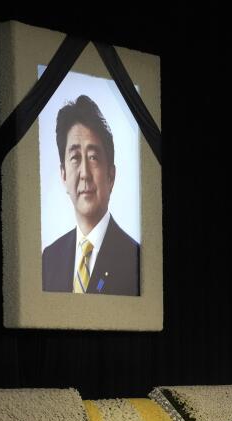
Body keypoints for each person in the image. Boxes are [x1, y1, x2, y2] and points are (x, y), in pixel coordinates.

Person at [42, 95, 140, 296]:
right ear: (63, 174)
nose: (85, 173)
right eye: (75, 158)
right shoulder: (49, 259)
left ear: (111, 176)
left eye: (94, 157)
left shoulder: (137, 259)